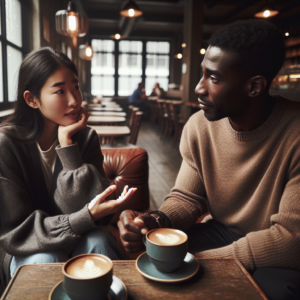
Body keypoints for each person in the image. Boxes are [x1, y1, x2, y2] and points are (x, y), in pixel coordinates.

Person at [118, 19, 300, 300]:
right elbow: (187, 198)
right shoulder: (199, 126)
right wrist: (154, 221)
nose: (199, 88)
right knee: (155, 258)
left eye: (213, 78)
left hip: (277, 249)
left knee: (271, 291)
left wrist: (203, 261)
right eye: (202, 74)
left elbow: (291, 241)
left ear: (254, 86)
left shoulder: (295, 132)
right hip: (223, 232)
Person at [0, 47, 136, 293]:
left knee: (99, 241)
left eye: (75, 87)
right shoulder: (6, 145)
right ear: (32, 99)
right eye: (60, 90)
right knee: (46, 259)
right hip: (28, 249)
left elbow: (101, 216)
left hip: (79, 237)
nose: (74, 100)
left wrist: (68, 149)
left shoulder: (85, 138)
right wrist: (83, 218)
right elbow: (17, 232)